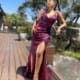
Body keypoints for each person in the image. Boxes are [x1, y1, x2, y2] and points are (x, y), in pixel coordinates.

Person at [23, 0, 67, 80]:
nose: (48, 2)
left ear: (54, 2)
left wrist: (59, 28)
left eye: (50, 0)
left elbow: (64, 23)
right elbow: (36, 21)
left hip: (46, 34)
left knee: (39, 52)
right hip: (37, 33)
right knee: (35, 53)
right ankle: (33, 71)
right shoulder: (42, 11)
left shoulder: (57, 13)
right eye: (47, 1)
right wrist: (33, 27)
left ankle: (35, 75)